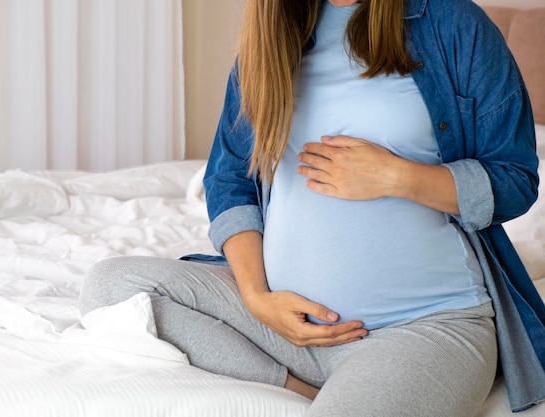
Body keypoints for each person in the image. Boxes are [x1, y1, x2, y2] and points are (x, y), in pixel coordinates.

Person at [79, 0, 545, 415]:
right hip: (283, 326)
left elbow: (515, 177)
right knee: (113, 286)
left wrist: (395, 176)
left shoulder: (451, 20)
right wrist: (258, 300)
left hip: (419, 327)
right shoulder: (274, 35)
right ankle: (297, 388)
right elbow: (230, 179)